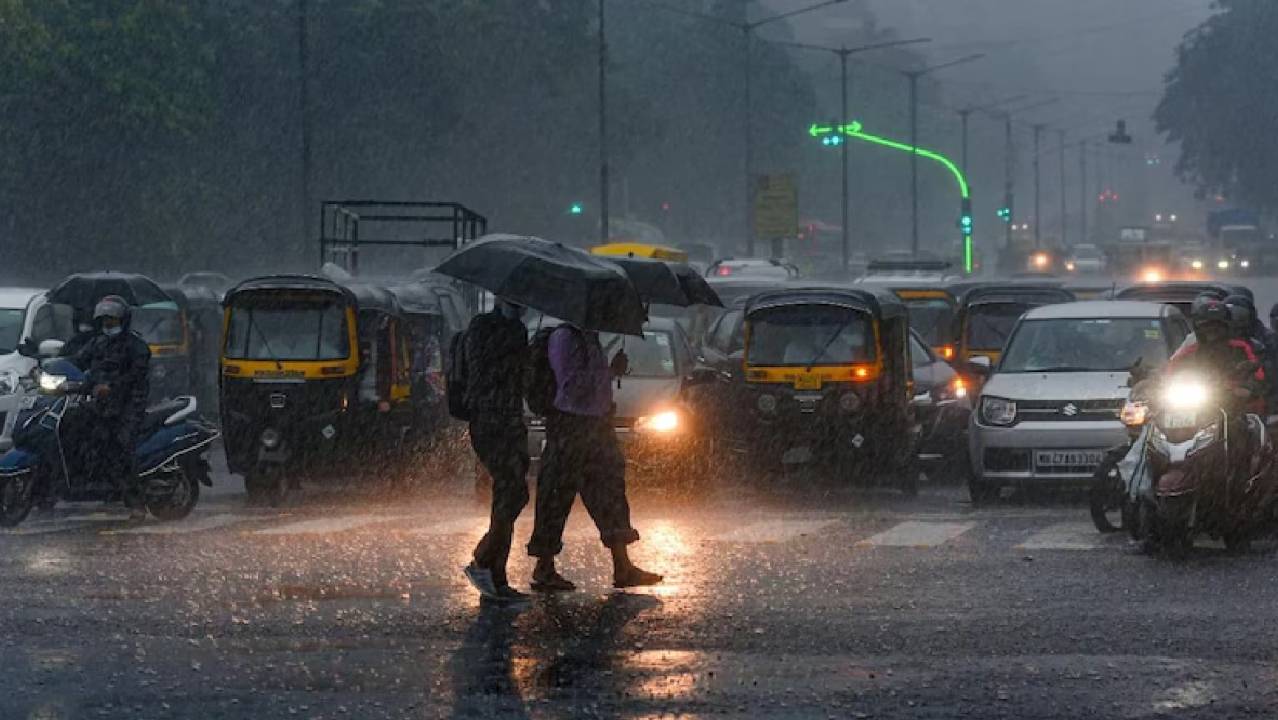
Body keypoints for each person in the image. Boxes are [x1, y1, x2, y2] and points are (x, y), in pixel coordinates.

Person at [527, 324, 662, 592]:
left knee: (610, 492)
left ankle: (622, 566)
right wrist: (605, 374)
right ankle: (544, 566)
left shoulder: (591, 338)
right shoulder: (564, 338)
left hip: (597, 425)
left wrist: (611, 372)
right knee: (556, 495)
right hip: (571, 425)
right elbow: (571, 384)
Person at [461, 299, 532, 602]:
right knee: (510, 490)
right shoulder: (482, 326)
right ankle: (487, 563)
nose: (520, 308)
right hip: (489, 419)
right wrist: (514, 354)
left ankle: (491, 565)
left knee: (514, 493)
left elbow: (520, 378)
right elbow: (483, 369)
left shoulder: (518, 329)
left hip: (512, 419)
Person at [71, 295, 151, 518]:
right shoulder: (97, 343)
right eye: (105, 320)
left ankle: (136, 500)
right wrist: (46, 367)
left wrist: (111, 387)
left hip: (128, 406)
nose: (108, 325)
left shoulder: (136, 346)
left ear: (124, 321)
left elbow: (135, 376)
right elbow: (76, 361)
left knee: (120, 447)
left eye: (113, 320)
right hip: (99, 404)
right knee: (74, 428)